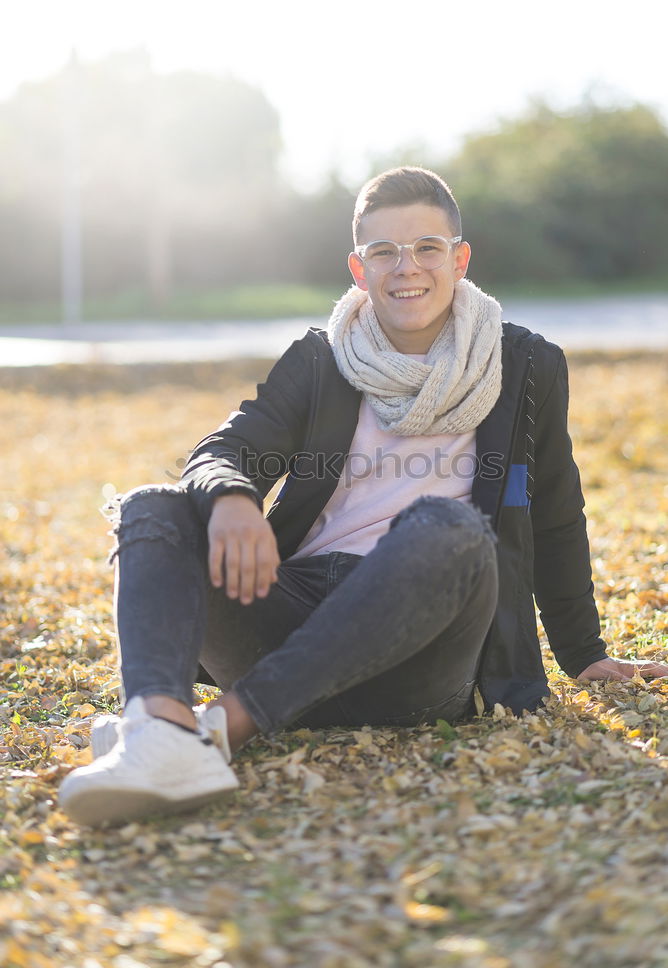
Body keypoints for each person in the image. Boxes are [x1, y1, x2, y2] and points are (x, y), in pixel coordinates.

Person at [59, 166, 668, 826]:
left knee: (449, 527)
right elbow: (222, 451)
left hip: (425, 649)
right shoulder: (323, 359)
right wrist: (234, 497)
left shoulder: (525, 365)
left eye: (427, 248)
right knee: (153, 504)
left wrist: (584, 655)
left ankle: (221, 731)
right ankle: (156, 731)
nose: (406, 268)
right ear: (359, 269)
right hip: (291, 622)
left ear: (459, 258)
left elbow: (554, 510)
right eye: (384, 252)